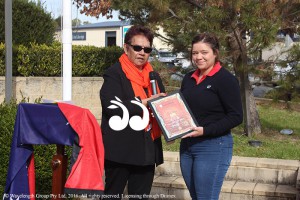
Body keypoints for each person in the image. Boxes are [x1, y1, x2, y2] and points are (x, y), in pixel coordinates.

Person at [100, 25, 166, 199]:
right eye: (137, 48)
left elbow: (163, 107)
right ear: (126, 48)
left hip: (146, 150)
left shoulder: (154, 76)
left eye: (147, 49)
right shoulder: (114, 74)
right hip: (120, 151)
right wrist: (144, 103)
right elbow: (112, 107)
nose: (142, 53)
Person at [179, 33, 243, 199]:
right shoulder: (188, 78)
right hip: (187, 146)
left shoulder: (226, 79)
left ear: (215, 53)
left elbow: (236, 116)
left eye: (204, 52)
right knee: (196, 196)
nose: (199, 57)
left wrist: (205, 131)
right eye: (194, 53)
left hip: (213, 146)